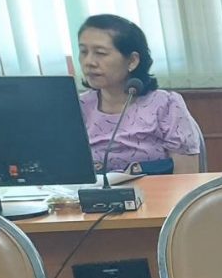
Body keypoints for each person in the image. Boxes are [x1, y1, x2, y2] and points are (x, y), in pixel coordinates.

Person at [77, 14, 202, 175]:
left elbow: (186, 177)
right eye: (83, 52)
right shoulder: (77, 107)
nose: (89, 62)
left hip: (158, 191)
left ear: (132, 61)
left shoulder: (165, 105)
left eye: (100, 53)